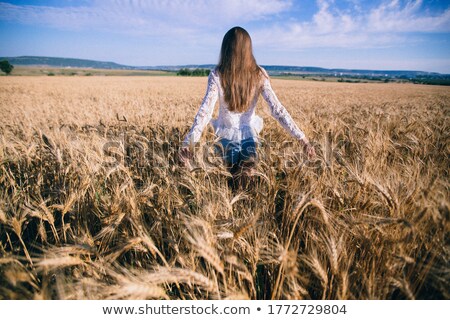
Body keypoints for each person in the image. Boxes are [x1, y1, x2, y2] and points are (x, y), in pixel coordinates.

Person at [179, 26, 315, 177]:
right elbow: (277, 110)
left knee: (226, 183)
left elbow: (205, 112)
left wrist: (189, 143)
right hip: (250, 140)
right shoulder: (259, 74)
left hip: (225, 142)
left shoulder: (217, 74)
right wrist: (302, 139)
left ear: (226, 49)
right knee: (247, 181)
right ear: (248, 49)